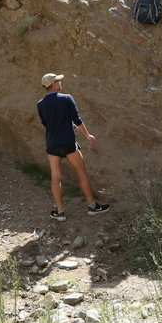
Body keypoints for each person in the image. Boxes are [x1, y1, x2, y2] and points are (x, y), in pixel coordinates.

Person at [37, 72, 110, 221]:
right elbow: (77, 119)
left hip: (52, 144)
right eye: (58, 81)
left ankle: (60, 212)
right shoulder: (67, 98)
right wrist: (87, 135)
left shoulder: (40, 104)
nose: (60, 82)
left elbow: (47, 124)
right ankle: (92, 206)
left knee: (55, 177)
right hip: (68, 142)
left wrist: (66, 125)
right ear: (54, 84)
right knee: (81, 173)